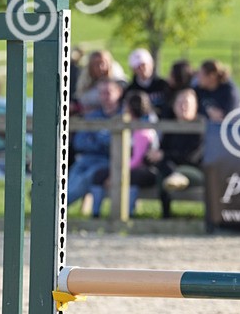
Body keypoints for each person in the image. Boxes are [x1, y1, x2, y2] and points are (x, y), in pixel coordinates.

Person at [87, 89, 158, 217]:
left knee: (133, 178)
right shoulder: (128, 128)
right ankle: (95, 214)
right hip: (127, 167)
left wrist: (117, 173)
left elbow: (137, 160)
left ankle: (126, 214)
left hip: (142, 169)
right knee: (99, 175)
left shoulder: (143, 132)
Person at [146, 87, 205, 218]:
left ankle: (167, 215)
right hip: (170, 167)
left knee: (167, 170)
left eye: (187, 103)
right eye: (180, 103)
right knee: (163, 171)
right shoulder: (170, 125)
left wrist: (164, 155)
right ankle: (166, 216)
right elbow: (163, 149)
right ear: (174, 106)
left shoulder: (200, 125)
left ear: (195, 106)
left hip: (195, 170)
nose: (183, 107)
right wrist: (156, 155)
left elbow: (192, 157)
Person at [66, 78, 123, 211]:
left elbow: (117, 147)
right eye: (102, 93)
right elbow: (79, 142)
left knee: (84, 179)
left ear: (119, 92)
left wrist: (96, 140)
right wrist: (101, 141)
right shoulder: (93, 116)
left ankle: (54, 208)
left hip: (108, 161)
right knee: (69, 179)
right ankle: (53, 207)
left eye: (108, 92)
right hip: (86, 159)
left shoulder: (124, 116)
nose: (105, 96)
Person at [124, 48, 172, 118]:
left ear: (151, 64)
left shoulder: (163, 85)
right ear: (133, 70)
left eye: (144, 65)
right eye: (138, 67)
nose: (142, 69)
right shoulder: (131, 90)